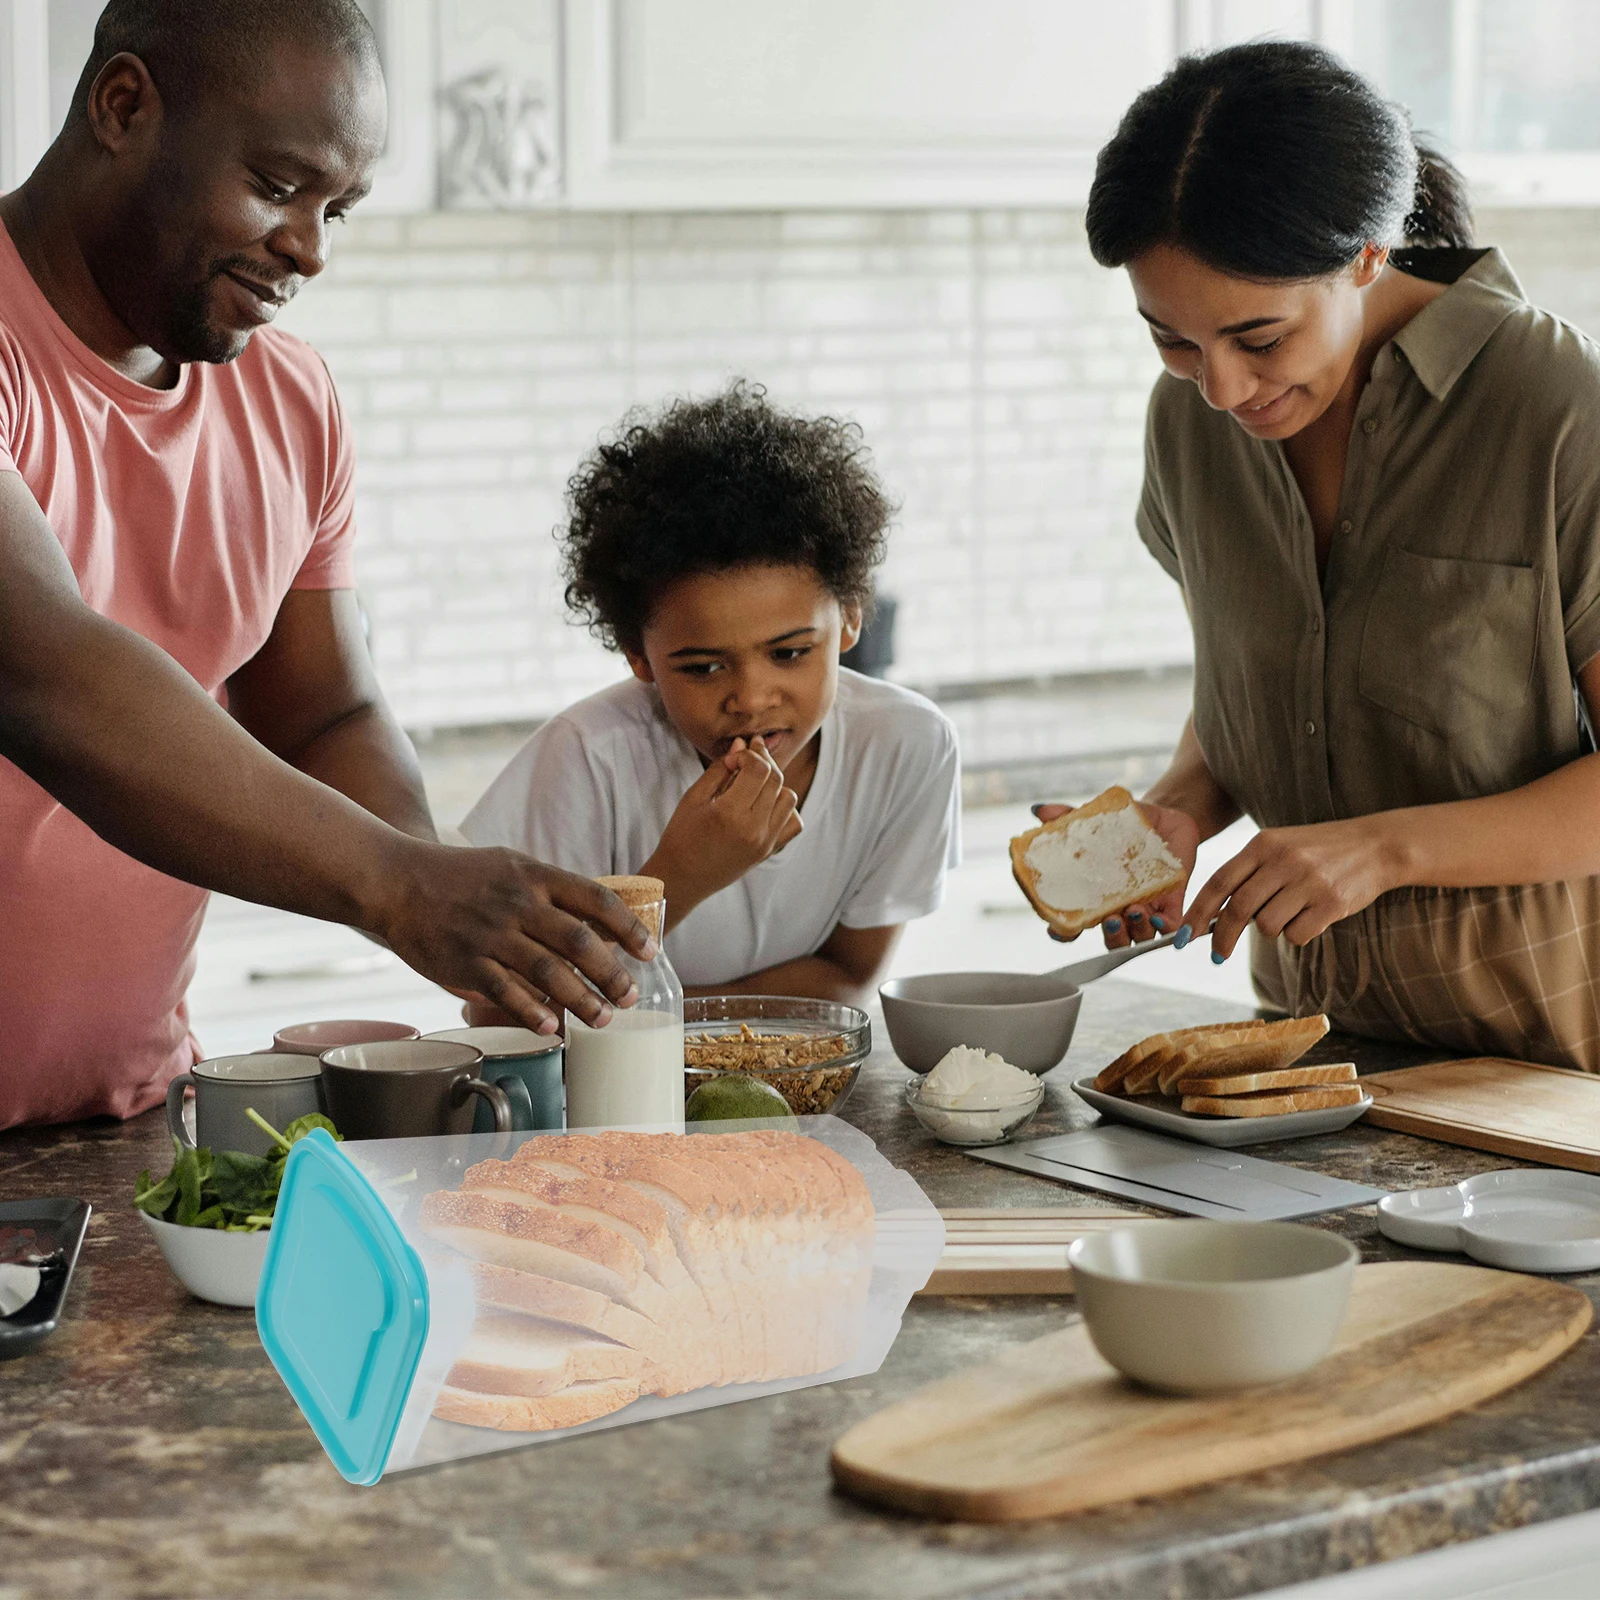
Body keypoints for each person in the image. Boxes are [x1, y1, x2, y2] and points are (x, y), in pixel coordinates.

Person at [0, 0, 650, 1131]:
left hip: (125, 1123)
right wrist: (397, 888)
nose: (310, 247)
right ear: (122, 106)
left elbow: (324, 713)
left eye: (336, 207)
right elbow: (40, 671)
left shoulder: (285, 397)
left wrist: (463, 925)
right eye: (276, 185)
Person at [1052, 38, 1600, 1071]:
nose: (1218, 388)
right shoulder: (1188, 426)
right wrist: (1176, 811)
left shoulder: (1554, 406)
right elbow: (1276, 690)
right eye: (1170, 339)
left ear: (1365, 256)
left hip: (1554, 1066)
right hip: (1309, 1056)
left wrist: (1384, 851)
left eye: (1258, 337)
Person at [461, 383, 961, 1006]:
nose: (750, 699)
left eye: (789, 653)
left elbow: (848, 976)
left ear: (852, 617)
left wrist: (664, 1016)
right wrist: (681, 875)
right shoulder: (589, 759)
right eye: (702, 668)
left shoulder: (907, 746)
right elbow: (498, 1009)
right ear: (637, 654)